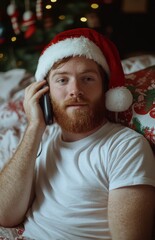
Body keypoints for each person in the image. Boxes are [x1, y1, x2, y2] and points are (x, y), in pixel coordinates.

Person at [0, 28, 155, 240]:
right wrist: (35, 126)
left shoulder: (125, 147)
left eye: (88, 79)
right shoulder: (44, 138)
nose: (75, 90)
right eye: (62, 80)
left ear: (106, 91)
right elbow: (5, 214)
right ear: (45, 93)